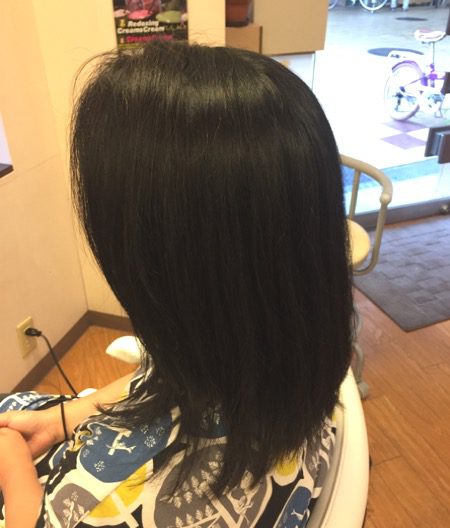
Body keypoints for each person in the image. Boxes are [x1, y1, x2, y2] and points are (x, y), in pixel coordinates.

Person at [0, 40, 353, 527]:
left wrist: (9, 459)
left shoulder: (105, 508)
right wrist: (63, 417)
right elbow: (166, 377)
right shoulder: (302, 353)